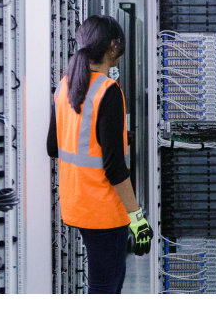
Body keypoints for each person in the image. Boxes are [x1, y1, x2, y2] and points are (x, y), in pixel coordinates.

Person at [46, 15, 152, 294]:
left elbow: (52, 146)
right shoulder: (108, 91)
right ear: (113, 47)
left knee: (105, 285)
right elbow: (115, 168)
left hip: (77, 204)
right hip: (104, 210)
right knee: (106, 288)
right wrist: (137, 218)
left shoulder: (64, 86)